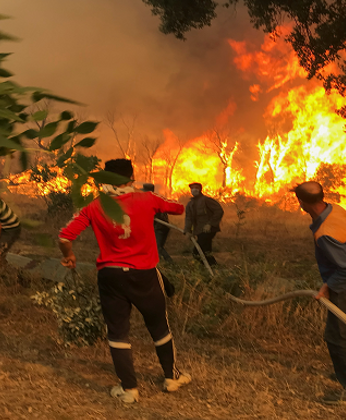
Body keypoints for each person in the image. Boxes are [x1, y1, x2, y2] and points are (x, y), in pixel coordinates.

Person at [58, 159, 190, 404]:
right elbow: (178, 208)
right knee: (159, 326)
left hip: (111, 276)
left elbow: (65, 236)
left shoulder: (94, 206)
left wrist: (69, 256)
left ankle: (129, 389)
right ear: (131, 178)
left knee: (118, 331)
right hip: (144, 274)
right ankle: (172, 377)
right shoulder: (147, 199)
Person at [292, 181, 346, 405]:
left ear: (301, 202)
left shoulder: (326, 233)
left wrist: (328, 286)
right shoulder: (335, 209)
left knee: (337, 337)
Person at [183, 182, 224, 266]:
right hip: (199, 230)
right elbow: (188, 219)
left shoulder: (206, 200)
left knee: (197, 252)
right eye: (192, 188)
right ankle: (212, 268)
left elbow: (219, 211)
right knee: (206, 251)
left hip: (208, 230)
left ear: (200, 190)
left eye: (196, 188)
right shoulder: (190, 204)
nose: (194, 190)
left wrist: (210, 224)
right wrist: (187, 231)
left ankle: (211, 267)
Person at [142, 183, 173, 263]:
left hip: (161, 227)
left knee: (157, 247)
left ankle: (170, 263)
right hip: (156, 227)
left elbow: (160, 216)